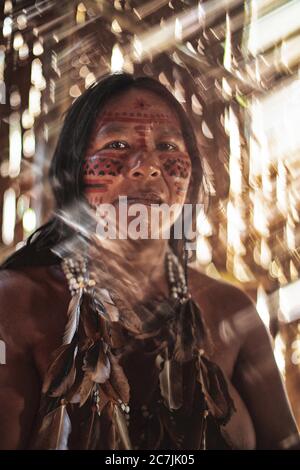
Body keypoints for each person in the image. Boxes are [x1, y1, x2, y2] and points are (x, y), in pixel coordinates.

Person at [0, 73, 298, 450]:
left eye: (167, 146)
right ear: (75, 169)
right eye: (117, 143)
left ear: (190, 175)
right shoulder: (14, 305)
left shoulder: (230, 311)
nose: (146, 166)